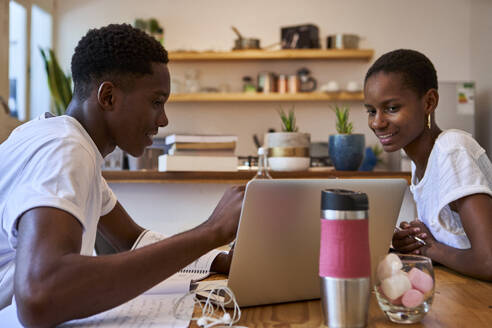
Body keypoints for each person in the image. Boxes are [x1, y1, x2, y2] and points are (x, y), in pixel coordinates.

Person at [0, 23, 244, 326]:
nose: (164, 120)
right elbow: (39, 295)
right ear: (109, 97)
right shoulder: (66, 149)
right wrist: (211, 231)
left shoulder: (64, 142)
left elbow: (132, 240)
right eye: (156, 102)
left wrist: (221, 258)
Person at [363, 49, 492, 281]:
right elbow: (458, 240)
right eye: (371, 111)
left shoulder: (452, 149)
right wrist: (418, 239)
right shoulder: (421, 163)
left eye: (392, 108)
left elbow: (488, 261)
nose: (377, 122)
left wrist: (430, 249)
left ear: (429, 102)